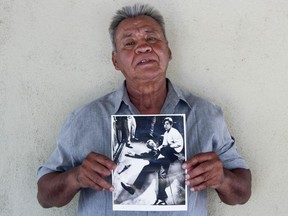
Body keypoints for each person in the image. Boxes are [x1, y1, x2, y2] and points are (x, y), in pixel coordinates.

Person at [37, 3, 251, 216]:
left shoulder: (206, 115)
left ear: (168, 51)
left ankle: (158, 194)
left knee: (156, 171)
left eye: (152, 38)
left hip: (165, 162)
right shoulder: (85, 119)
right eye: (129, 42)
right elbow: (45, 197)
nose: (143, 47)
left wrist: (222, 178)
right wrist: (75, 177)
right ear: (116, 61)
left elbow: (242, 193)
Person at [121, 118, 184, 205]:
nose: (150, 144)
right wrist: (132, 154)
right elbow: (141, 155)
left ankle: (162, 198)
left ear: (154, 143)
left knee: (161, 174)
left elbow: (173, 148)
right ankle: (133, 188)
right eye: (148, 144)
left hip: (165, 161)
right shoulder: (151, 153)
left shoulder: (163, 142)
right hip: (157, 163)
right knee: (145, 167)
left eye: (151, 142)